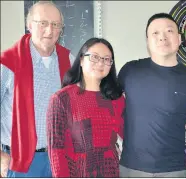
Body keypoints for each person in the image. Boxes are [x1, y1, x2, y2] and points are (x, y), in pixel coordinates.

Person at [118, 12, 186, 177]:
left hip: (173, 170)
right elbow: (110, 109)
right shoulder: (130, 71)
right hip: (130, 169)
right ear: (148, 41)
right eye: (155, 33)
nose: (162, 37)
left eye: (169, 31)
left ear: (178, 38)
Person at [0, 1, 74, 177]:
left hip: (60, 159)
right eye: (43, 23)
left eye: (56, 25)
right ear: (29, 25)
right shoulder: (7, 63)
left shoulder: (69, 60)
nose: (50, 30)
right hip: (19, 161)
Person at [46, 37, 125, 177]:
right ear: (81, 60)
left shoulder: (116, 98)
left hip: (110, 172)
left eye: (107, 59)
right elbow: (56, 151)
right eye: (94, 57)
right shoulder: (61, 99)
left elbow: (129, 134)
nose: (101, 63)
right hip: (77, 173)